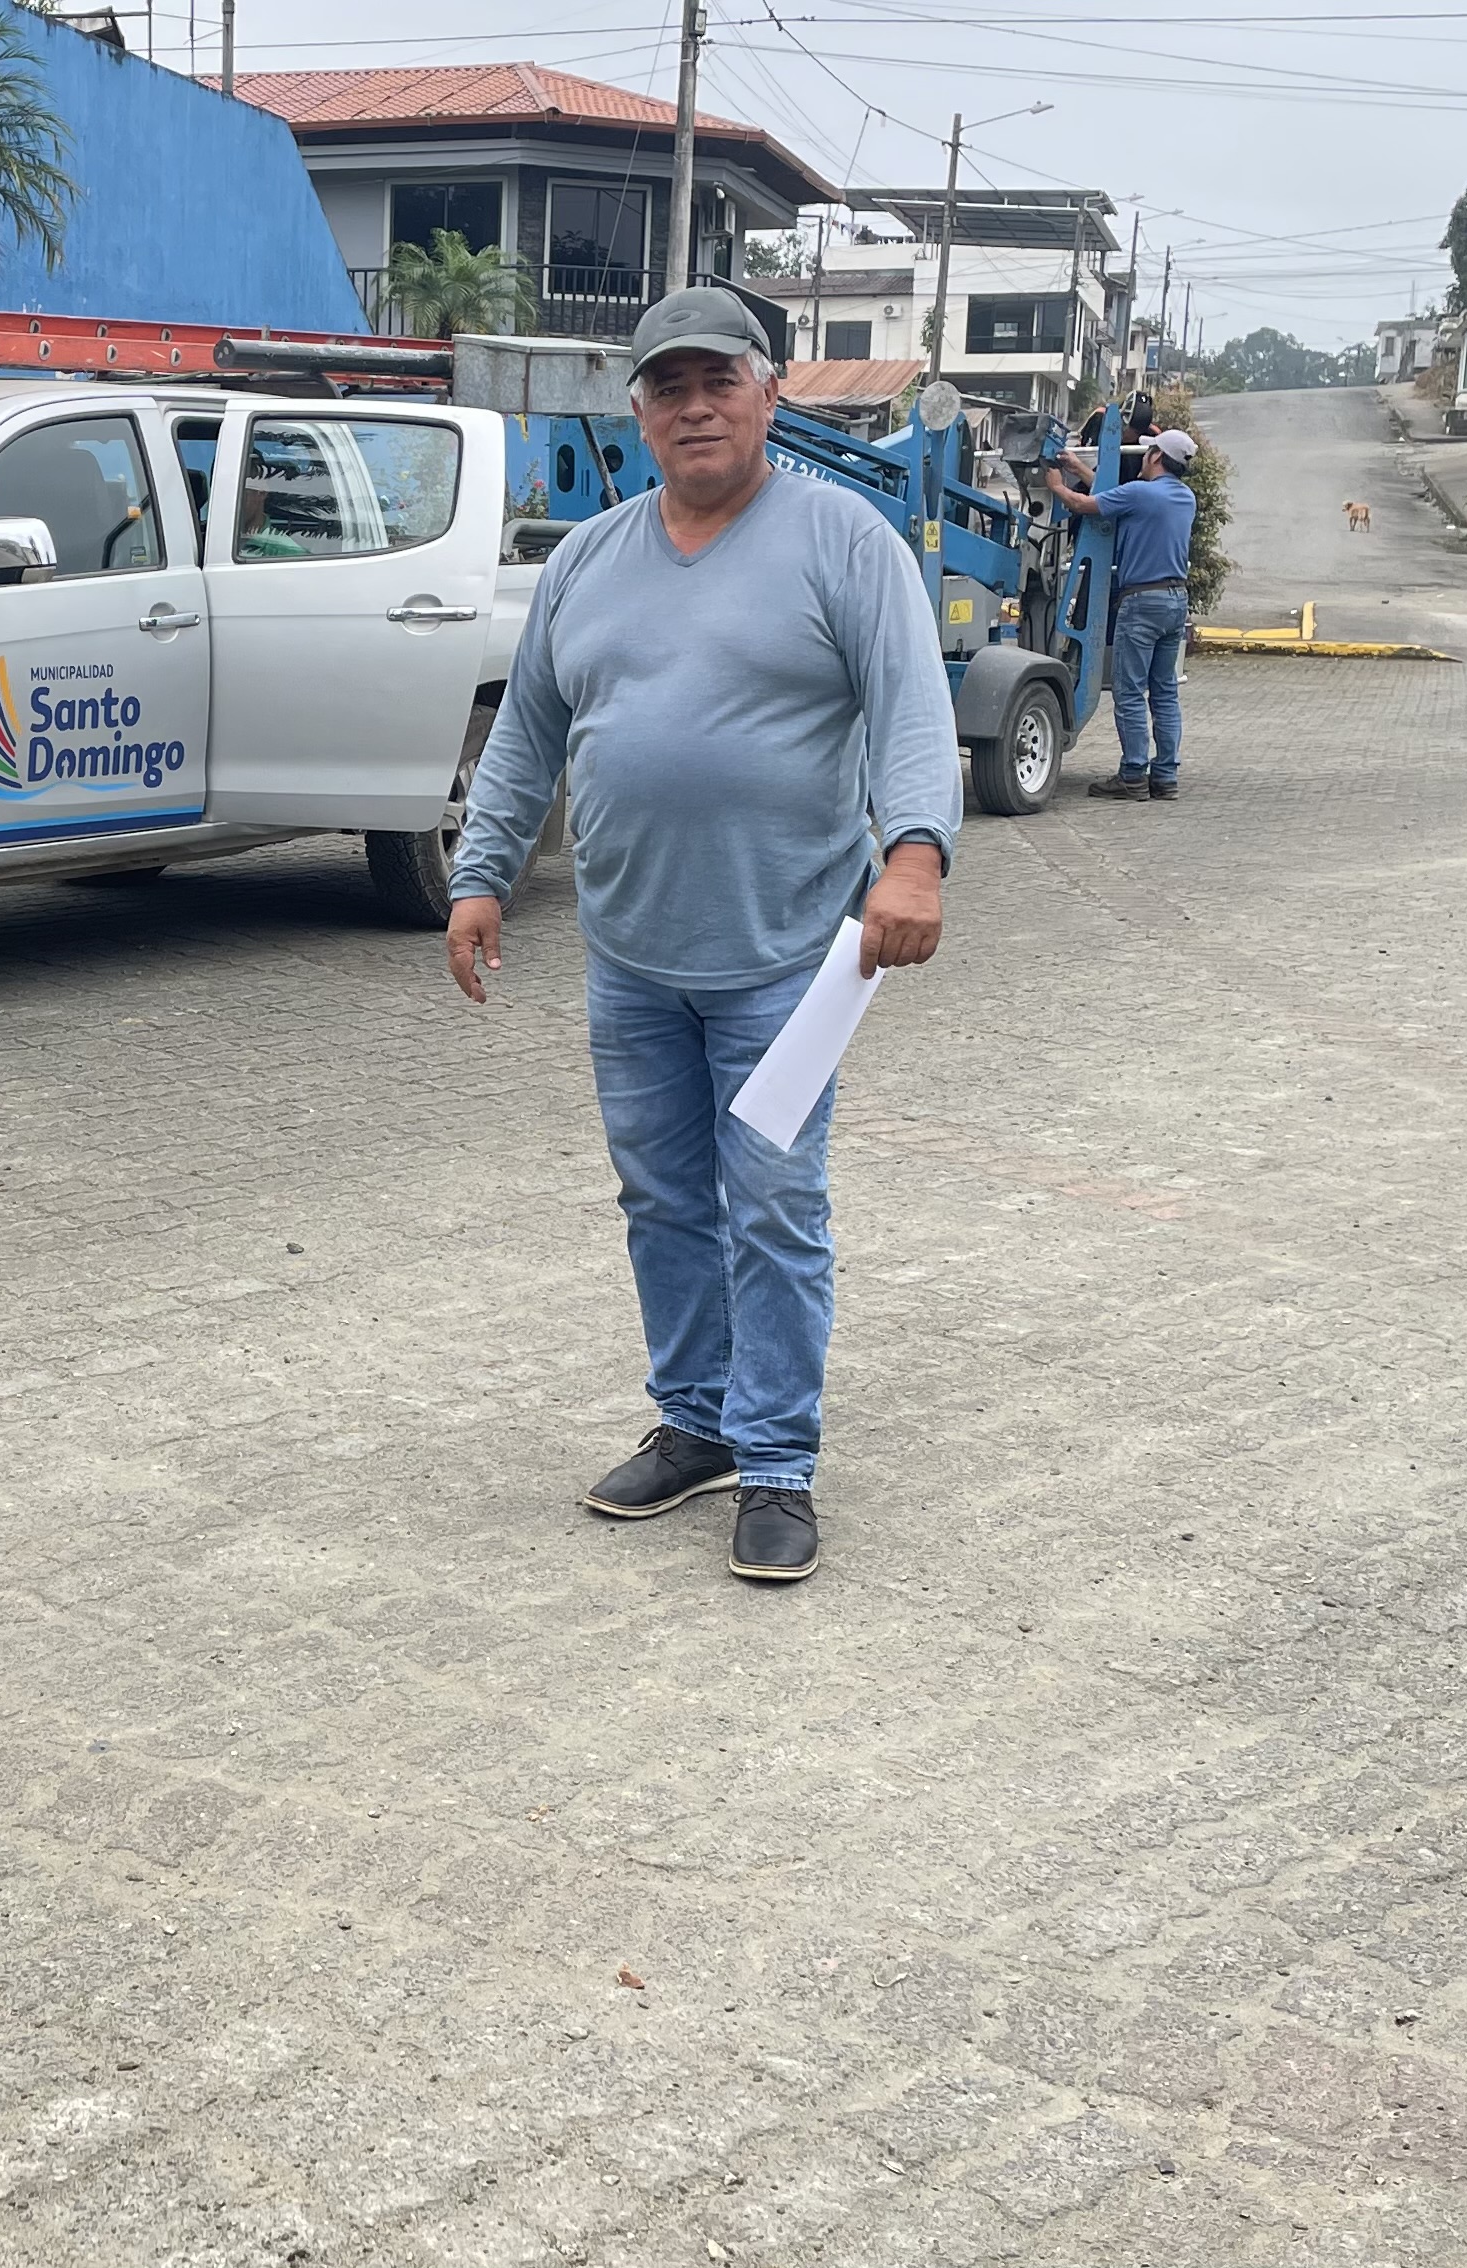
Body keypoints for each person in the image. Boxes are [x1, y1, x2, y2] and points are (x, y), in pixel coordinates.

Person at [444, 288, 959, 1586]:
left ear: (768, 392)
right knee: (664, 1199)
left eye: (718, 381)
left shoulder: (843, 542)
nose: (694, 407)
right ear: (638, 413)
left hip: (788, 960)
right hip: (630, 958)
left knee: (773, 1209)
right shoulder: (587, 560)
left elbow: (910, 706)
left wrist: (915, 856)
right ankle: (697, 1421)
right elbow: (529, 732)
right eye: (667, 388)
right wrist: (481, 872)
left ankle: (777, 1459)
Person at [1045, 425, 1200, 801]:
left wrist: (1056, 485)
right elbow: (1118, 497)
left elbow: (1085, 505)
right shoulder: (1185, 498)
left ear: (1157, 457)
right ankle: (1165, 777)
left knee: (1129, 691)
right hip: (1175, 600)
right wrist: (1079, 468)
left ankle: (1132, 774)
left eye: (1147, 452)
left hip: (1142, 603)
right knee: (1164, 692)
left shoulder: (1141, 494)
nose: (1143, 457)